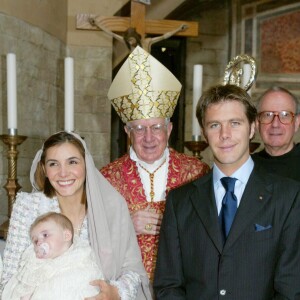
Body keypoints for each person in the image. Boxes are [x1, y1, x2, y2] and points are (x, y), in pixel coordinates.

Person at [154, 84, 300, 299]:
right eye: (214, 125)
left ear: (252, 127)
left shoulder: (288, 197)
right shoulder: (180, 201)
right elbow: (168, 284)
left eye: (234, 123)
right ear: (204, 133)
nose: (225, 135)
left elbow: (291, 286)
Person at [101, 45, 210, 282]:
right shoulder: (107, 177)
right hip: (126, 285)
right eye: (139, 128)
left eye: (156, 127)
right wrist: (126, 226)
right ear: (127, 131)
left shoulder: (197, 172)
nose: (148, 137)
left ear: (169, 129)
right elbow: (90, 236)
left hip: (183, 284)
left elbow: (211, 232)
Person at [0, 131, 152, 300]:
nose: (63, 173)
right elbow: (8, 278)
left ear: (86, 164)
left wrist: (115, 293)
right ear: (44, 169)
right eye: (53, 164)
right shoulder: (28, 207)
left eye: (72, 162)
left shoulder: (112, 208)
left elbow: (132, 270)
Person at [2, 212, 104, 300]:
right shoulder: (36, 265)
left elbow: (89, 279)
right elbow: (27, 287)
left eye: (45, 235)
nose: (39, 243)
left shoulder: (81, 257)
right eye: (35, 240)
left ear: (66, 236)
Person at [252, 86, 300, 181]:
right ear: (257, 123)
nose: (275, 124)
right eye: (267, 115)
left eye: (285, 115)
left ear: (297, 122)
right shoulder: (246, 166)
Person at [89, 17, 188, 53]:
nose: (130, 42)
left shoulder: (147, 41)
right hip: (134, 73)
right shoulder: (126, 42)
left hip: (147, 71)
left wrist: (178, 29)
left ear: (136, 37)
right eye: (128, 40)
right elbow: (111, 33)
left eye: (131, 39)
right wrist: (97, 24)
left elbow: (164, 36)